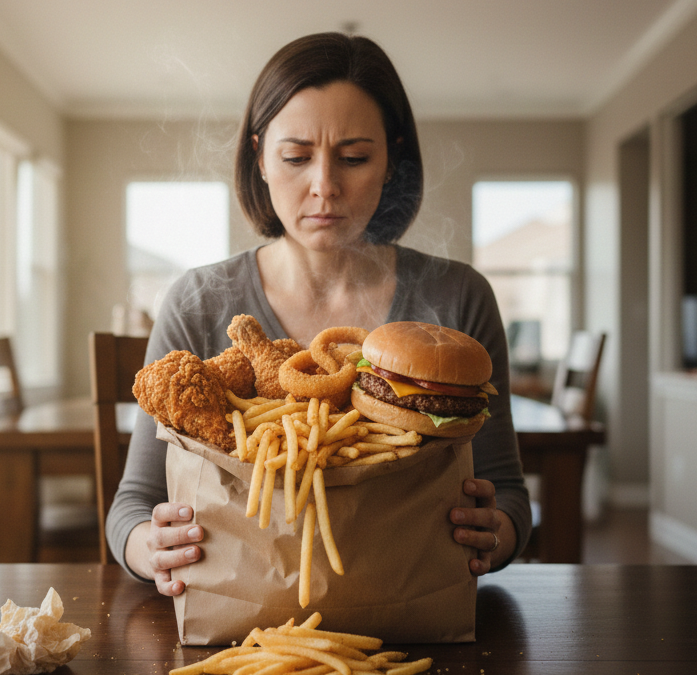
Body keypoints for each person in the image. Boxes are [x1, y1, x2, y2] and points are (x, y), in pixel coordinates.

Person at [106, 32, 530, 596]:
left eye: (354, 157)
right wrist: (149, 547)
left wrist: (495, 533)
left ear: (391, 160)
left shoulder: (457, 297)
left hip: (414, 620)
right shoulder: (197, 300)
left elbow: (509, 497)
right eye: (295, 156)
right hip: (239, 634)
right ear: (258, 157)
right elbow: (131, 507)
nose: (324, 187)